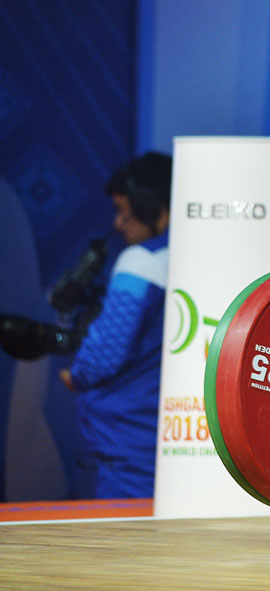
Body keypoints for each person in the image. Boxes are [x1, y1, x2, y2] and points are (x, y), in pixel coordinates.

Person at [58, 151, 172, 499]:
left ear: (153, 207)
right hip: (176, 435)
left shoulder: (141, 262)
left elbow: (104, 354)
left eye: (125, 211)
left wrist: (76, 375)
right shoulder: (207, 255)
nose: (119, 224)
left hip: (130, 439)